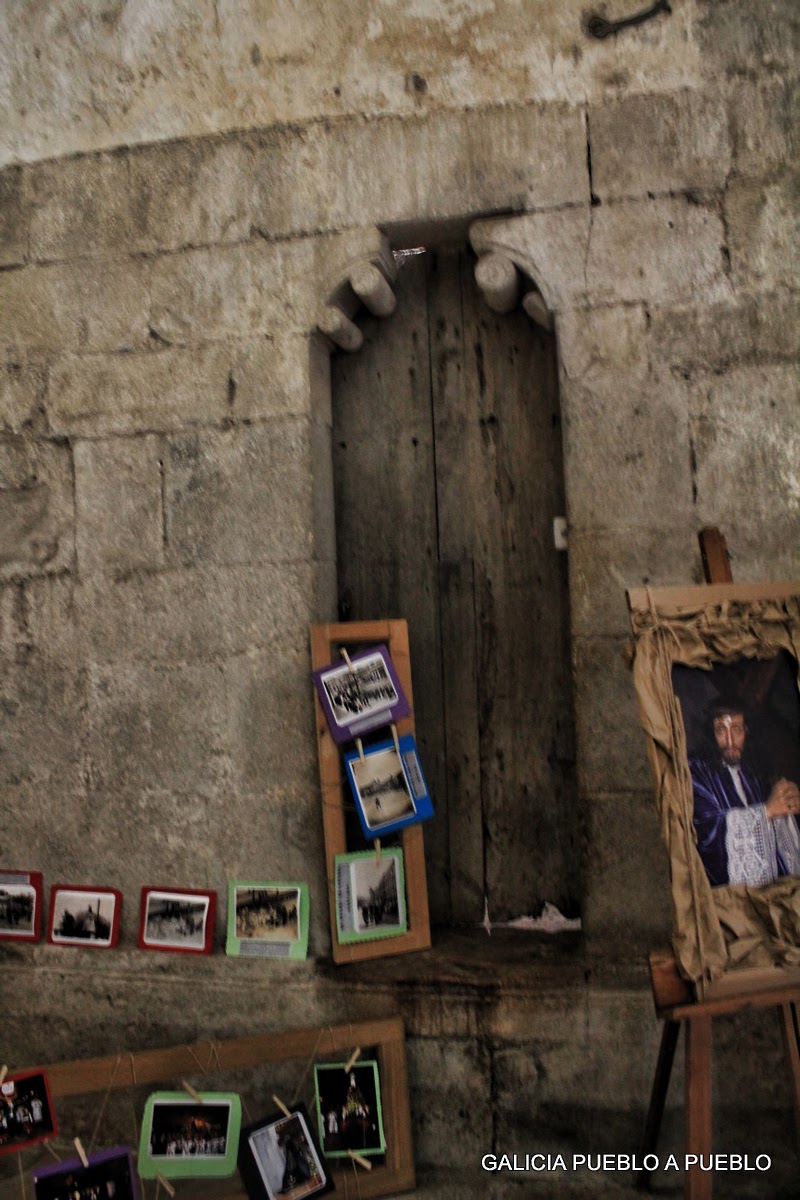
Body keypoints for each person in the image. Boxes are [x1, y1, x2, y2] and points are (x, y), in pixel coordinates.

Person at [689, 698, 800, 887]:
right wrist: (767, 812)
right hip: (730, 894)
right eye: (721, 731)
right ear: (711, 733)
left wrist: (788, 801)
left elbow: (777, 817)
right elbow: (706, 830)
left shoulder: (754, 771)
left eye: (736, 730)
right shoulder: (696, 770)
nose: (730, 742)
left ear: (747, 731)